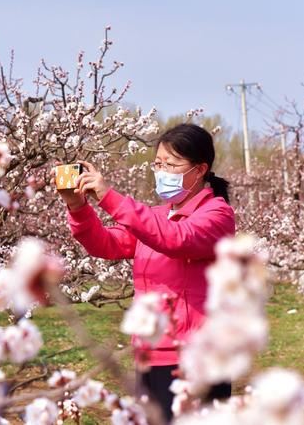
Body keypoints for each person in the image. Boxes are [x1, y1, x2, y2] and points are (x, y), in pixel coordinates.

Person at [53, 123, 236, 422]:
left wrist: (109, 196)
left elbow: (177, 239)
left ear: (201, 169)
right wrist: (78, 207)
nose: (162, 170)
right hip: (151, 354)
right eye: (158, 163)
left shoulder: (217, 215)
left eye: (172, 164)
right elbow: (107, 244)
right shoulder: (155, 216)